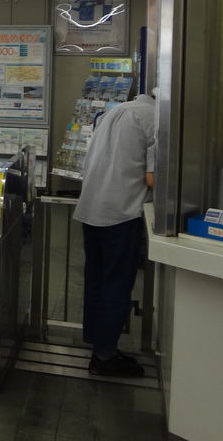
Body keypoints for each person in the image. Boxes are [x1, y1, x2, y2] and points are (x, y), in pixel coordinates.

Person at [72, 89, 156, 378]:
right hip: (122, 213)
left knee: (96, 278)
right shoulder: (155, 120)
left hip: (91, 207)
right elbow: (152, 178)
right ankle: (105, 355)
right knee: (117, 284)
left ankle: (96, 339)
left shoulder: (114, 112)